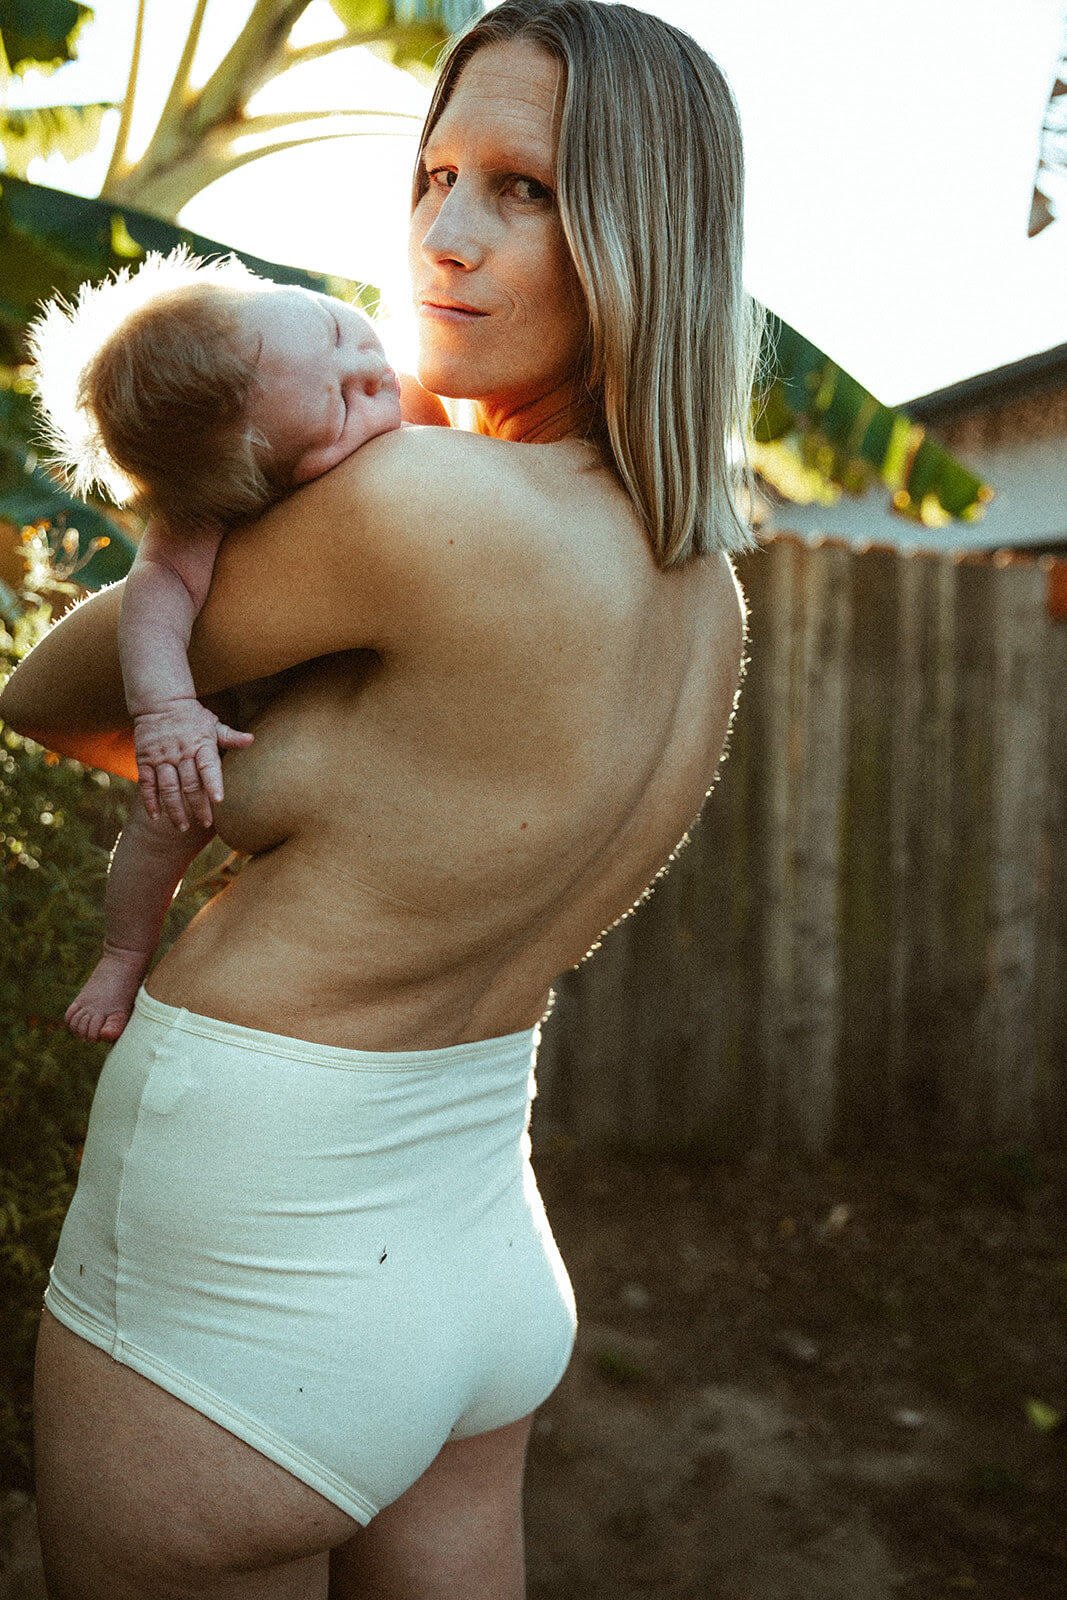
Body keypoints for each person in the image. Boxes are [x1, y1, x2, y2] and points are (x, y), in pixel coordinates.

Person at [0, 1, 766, 1594]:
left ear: (648, 233)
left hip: (255, 1259)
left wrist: (228, 713)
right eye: (432, 175)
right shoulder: (706, 602)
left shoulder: (416, 503)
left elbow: (52, 693)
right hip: (481, 1248)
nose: (445, 239)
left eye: (526, 191)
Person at [28, 250, 407, 1043]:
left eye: (337, 325)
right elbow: (159, 592)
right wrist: (167, 712)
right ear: (253, 476)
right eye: (339, 408)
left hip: (356, 688)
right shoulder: (207, 509)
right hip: (237, 703)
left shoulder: (406, 404)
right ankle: (124, 953)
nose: (367, 368)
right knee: (165, 817)